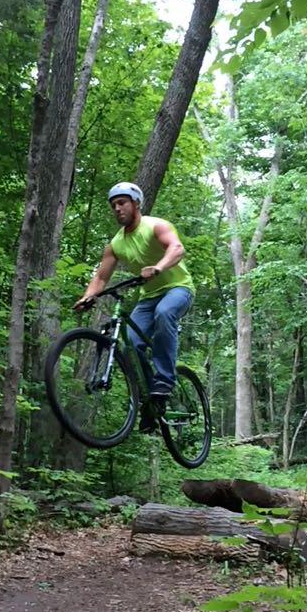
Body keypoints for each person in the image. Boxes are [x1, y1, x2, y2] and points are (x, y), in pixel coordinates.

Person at [74, 181, 195, 431]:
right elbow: (101, 277)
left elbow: (177, 248)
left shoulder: (155, 226)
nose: (117, 209)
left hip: (178, 288)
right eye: (113, 205)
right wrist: (88, 297)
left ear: (136, 203)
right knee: (130, 344)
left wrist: (158, 268)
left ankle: (165, 381)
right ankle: (151, 402)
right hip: (149, 297)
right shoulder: (116, 244)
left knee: (164, 314)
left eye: (122, 203)